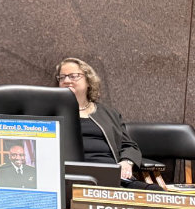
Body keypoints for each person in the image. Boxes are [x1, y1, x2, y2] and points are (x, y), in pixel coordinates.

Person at [55, 57, 149, 188]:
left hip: (112, 178)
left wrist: (126, 162)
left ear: (88, 81)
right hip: (70, 179)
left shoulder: (108, 113)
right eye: (62, 77)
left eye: (73, 76)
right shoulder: (52, 112)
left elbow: (129, 145)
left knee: (159, 195)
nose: (66, 81)